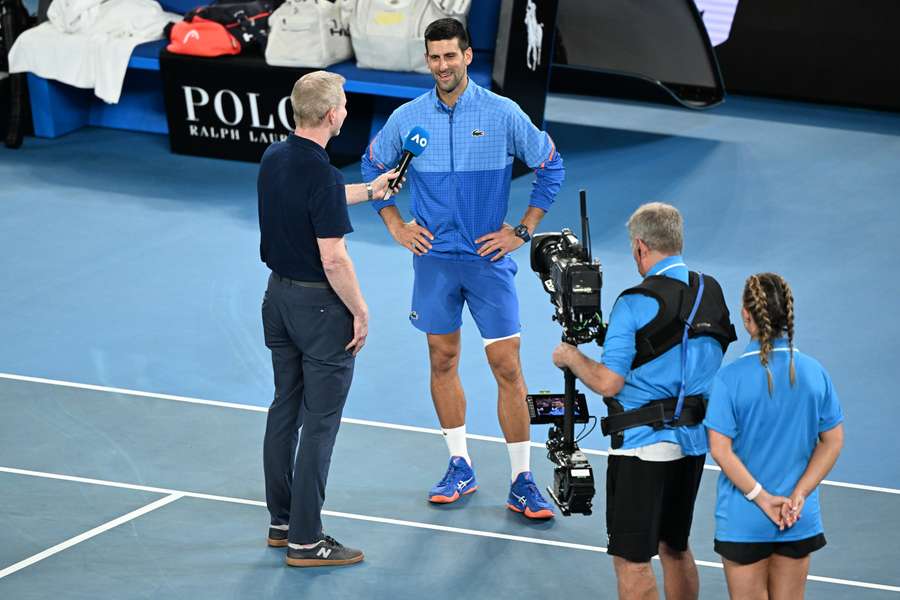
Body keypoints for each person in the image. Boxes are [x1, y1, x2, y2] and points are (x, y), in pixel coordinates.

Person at [361, 17, 565, 518]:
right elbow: (372, 167)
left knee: (508, 368)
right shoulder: (408, 118)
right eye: (434, 57)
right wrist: (395, 224)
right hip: (434, 263)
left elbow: (550, 164)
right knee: (442, 361)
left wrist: (521, 230)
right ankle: (460, 464)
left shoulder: (502, 113)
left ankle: (522, 478)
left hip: (487, 262)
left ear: (468, 56)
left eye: (451, 56)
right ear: (427, 59)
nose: (442, 65)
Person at [552, 202, 737, 600]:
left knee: (633, 561)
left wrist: (571, 356)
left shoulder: (634, 302)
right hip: (693, 444)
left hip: (642, 450)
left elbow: (608, 382)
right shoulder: (712, 291)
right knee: (675, 546)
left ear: (640, 247)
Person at [258, 71, 400, 567]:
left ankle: (281, 524)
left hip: (277, 300)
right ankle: (305, 540)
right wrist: (359, 311)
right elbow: (334, 258)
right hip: (320, 311)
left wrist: (372, 190)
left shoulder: (275, 156)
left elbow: (315, 200)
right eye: (342, 104)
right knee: (319, 424)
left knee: (285, 411)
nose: (345, 110)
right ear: (331, 115)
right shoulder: (321, 172)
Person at [705, 273, 844, 599]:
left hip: (745, 519)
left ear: (746, 314)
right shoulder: (815, 374)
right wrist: (799, 494)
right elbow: (833, 441)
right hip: (797, 517)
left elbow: (720, 450)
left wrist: (761, 497)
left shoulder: (728, 380)